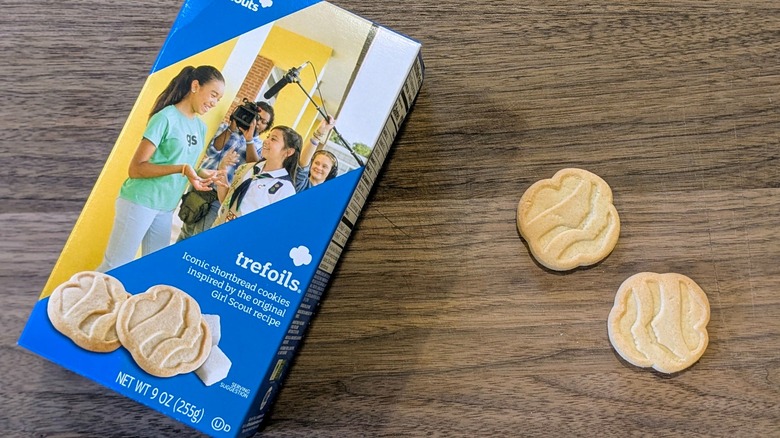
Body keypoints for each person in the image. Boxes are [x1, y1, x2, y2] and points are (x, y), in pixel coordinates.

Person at [97, 65, 225, 272]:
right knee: (114, 267)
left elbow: (183, 163)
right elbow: (136, 168)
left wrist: (201, 173)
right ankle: (74, 301)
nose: (214, 103)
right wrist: (182, 169)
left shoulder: (200, 127)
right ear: (195, 86)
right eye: (213, 95)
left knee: (154, 269)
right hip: (139, 201)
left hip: (166, 207)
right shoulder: (166, 118)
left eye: (218, 99)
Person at [176, 101, 275, 241]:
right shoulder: (226, 129)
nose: (258, 123)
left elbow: (252, 168)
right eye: (257, 118)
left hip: (220, 195)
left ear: (266, 127)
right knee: (185, 232)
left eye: (263, 122)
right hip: (200, 186)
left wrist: (249, 140)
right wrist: (232, 128)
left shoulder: (260, 146)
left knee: (200, 238)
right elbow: (212, 150)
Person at [212, 126, 302, 226]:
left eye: (273, 139)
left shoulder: (285, 190)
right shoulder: (246, 168)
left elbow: (274, 226)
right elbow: (225, 201)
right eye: (268, 137)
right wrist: (222, 170)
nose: (266, 141)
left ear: (288, 152)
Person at [294, 116, 340, 192]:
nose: (319, 168)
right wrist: (319, 133)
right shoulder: (301, 183)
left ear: (331, 172)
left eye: (324, 166)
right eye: (316, 163)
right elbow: (302, 164)